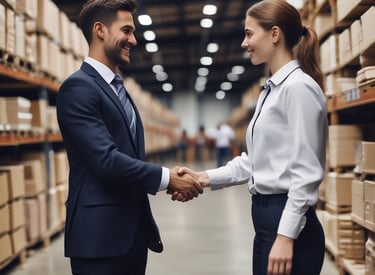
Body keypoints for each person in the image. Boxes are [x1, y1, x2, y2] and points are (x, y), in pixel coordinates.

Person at [175, 1, 328, 274]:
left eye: (249, 33)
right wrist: (202, 178)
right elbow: (255, 162)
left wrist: (286, 236)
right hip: (267, 222)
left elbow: (307, 172)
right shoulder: (271, 91)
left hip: (287, 222)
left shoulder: (298, 89)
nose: (245, 43)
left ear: (274, 34)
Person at [56, 1, 203, 274]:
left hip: (132, 233)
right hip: (99, 239)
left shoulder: (116, 88)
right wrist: (167, 178)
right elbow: (106, 160)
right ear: (100, 30)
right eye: (126, 30)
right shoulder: (78, 88)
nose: (133, 40)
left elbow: (129, 156)